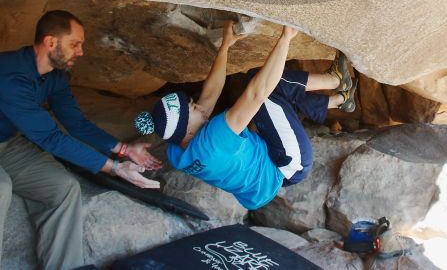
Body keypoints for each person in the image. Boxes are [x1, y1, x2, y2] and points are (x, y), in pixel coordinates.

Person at [0, 10, 161, 270]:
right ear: (50, 42)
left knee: (63, 187)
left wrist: (125, 151)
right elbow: (50, 138)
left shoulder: (54, 76)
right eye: (75, 44)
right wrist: (114, 168)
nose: (81, 51)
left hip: (5, 143)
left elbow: (76, 123)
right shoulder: (9, 77)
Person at [134, 21, 357, 210]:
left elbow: (210, 93)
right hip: (289, 163)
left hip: (264, 175)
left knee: (265, 90)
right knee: (268, 85)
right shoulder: (215, 140)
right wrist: (285, 38)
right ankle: (336, 80)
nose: (200, 107)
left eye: (193, 104)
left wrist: (225, 46)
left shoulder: (177, 150)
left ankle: (340, 100)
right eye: (194, 109)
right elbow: (258, 93)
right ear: (188, 130)